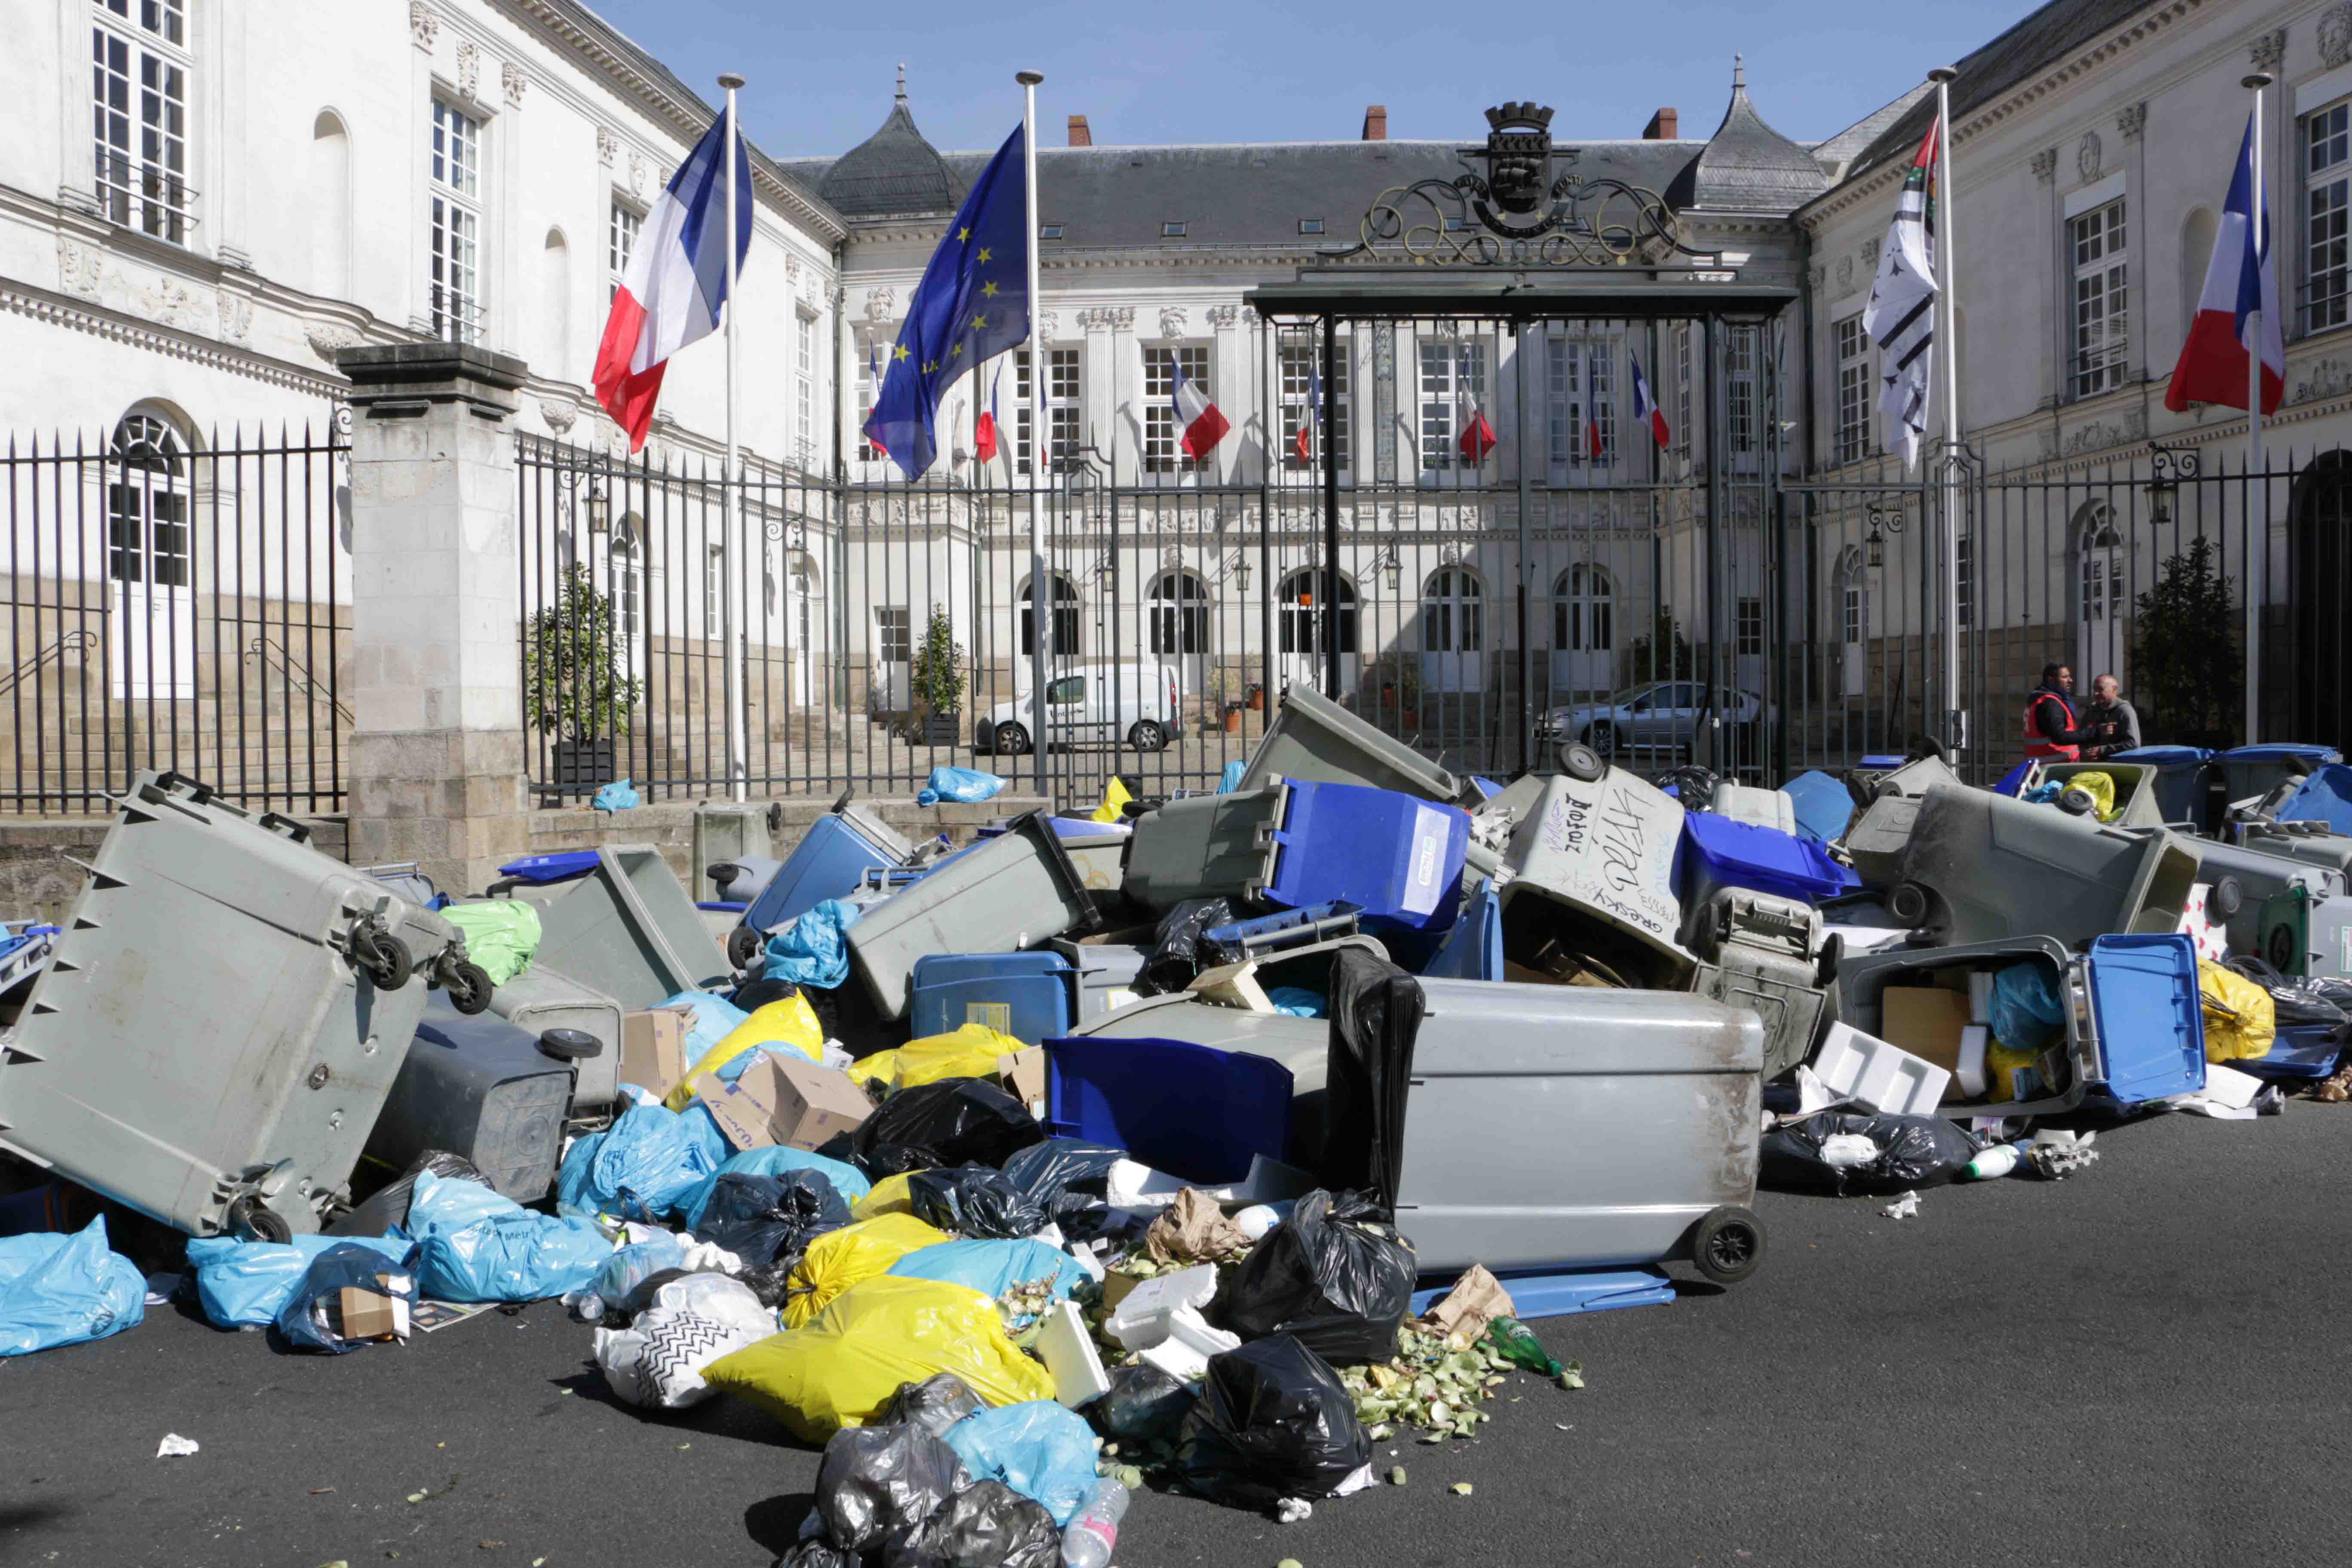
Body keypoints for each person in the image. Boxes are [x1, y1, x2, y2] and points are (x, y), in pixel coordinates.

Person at [2022, 663, 2111, 760]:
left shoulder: (2039, 700)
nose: (2071, 681)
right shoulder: (2050, 703)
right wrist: (2095, 732)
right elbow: (2060, 737)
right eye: (2065, 677)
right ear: (2051, 680)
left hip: (2046, 764)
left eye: (2069, 677)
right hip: (2055, 767)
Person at [2081, 673, 2141, 759]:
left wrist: (2102, 750)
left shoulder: (2124, 711)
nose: (2096, 693)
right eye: (2095, 689)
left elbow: (2133, 744)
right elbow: (2081, 736)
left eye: (2101, 689)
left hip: (2116, 766)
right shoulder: (2092, 711)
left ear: (2114, 689)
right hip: (2090, 765)